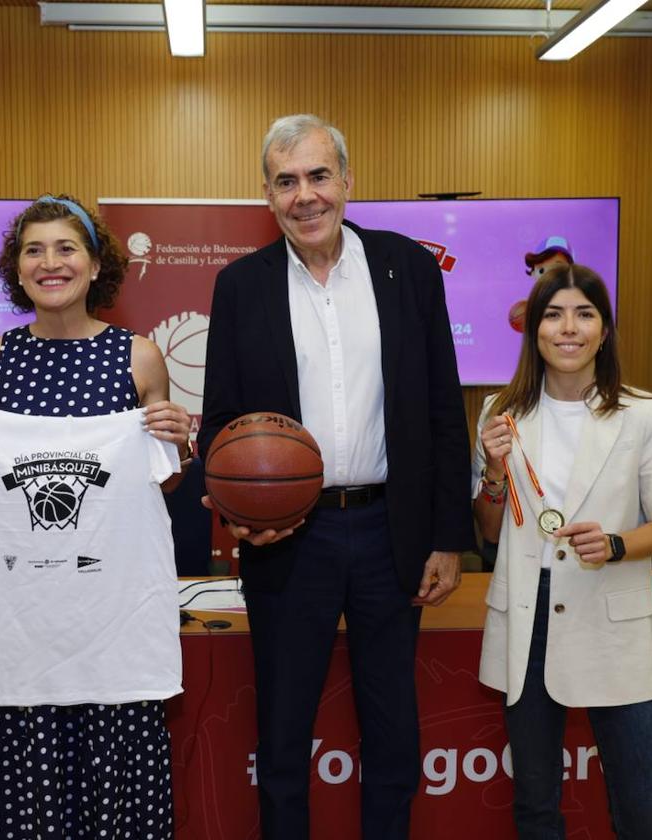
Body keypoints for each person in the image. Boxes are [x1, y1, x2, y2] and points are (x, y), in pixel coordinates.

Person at [198, 114, 474, 840]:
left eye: (319, 176)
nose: (305, 195)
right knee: (284, 733)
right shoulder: (240, 287)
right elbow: (220, 422)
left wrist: (448, 536)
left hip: (393, 531)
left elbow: (445, 407)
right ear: (266, 195)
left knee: (392, 728)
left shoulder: (407, 268)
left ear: (348, 182)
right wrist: (239, 512)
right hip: (291, 535)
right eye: (287, 181)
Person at [0, 195, 193, 839]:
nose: (50, 262)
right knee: (21, 799)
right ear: (17, 268)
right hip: (18, 623)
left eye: (66, 247)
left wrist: (176, 438)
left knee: (116, 794)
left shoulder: (139, 356)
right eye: (33, 250)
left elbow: (164, 478)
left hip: (110, 621)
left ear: (96, 266)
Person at [473, 263, 652, 839]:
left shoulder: (644, 414)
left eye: (585, 314)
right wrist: (493, 473)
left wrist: (616, 544)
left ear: (604, 330)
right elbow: (490, 532)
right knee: (536, 807)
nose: (569, 328)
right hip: (529, 618)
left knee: (640, 808)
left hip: (610, 618)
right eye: (553, 314)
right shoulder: (502, 413)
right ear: (534, 330)